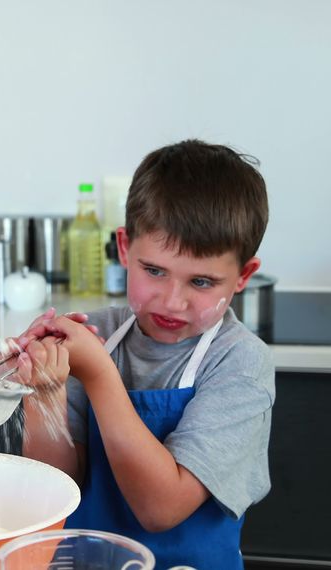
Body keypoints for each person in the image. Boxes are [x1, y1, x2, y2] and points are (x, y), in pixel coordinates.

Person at [17, 139, 274, 569]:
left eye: (202, 282)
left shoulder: (239, 362)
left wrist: (98, 375)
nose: (173, 302)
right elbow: (57, 489)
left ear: (243, 276)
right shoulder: (96, 333)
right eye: (154, 271)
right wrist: (44, 390)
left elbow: (160, 508)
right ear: (124, 249)